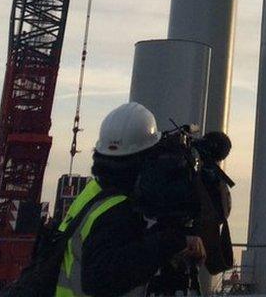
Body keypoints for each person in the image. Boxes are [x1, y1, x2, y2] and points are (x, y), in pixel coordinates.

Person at [55, 102, 205, 297]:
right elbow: (100, 278)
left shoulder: (95, 192)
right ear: (145, 156)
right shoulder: (117, 211)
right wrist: (170, 242)